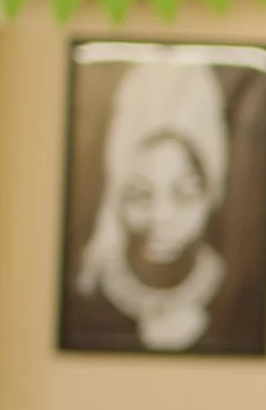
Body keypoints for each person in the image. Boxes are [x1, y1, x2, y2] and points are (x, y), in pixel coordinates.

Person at [73, 61, 228, 351]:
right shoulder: (87, 298)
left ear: (210, 194)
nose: (162, 216)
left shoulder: (240, 293)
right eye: (140, 195)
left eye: (184, 194)